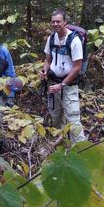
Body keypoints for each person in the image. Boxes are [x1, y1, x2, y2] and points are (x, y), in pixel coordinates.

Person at [41, 10, 86, 143]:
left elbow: (77, 67)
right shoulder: (51, 38)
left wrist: (62, 85)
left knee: (73, 120)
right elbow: (47, 60)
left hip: (68, 86)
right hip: (52, 84)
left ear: (65, 22)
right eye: (53, 21)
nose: (55, 24)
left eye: (58, 21)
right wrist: (44, 71)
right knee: (56, 118)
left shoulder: (74, 40)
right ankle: (61, 146)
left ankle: (81, 149)